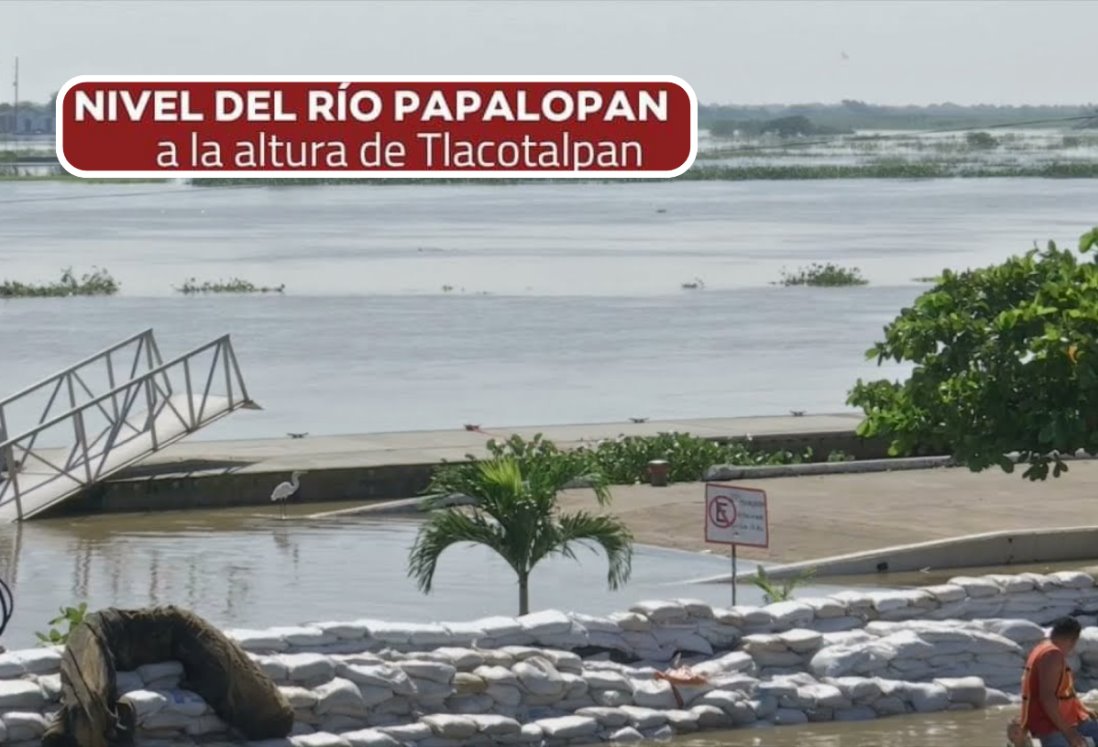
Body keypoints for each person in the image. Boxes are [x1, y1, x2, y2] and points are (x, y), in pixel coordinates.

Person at [1013, 617, 1098, 747]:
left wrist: (1082, 709)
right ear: (1072, 640)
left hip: (1054, 723)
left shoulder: (1042, 648)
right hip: (1051, 728)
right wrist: (1070, 733)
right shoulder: (1052, 655)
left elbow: (1062, 692)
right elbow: (1047, 698)